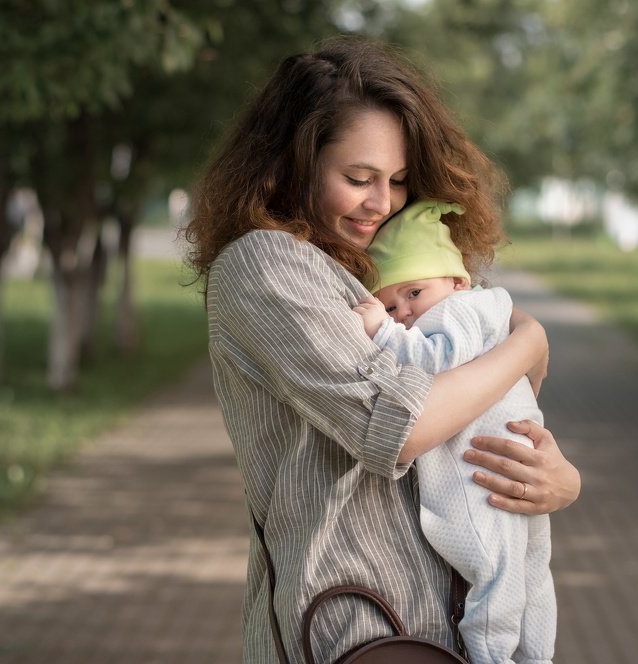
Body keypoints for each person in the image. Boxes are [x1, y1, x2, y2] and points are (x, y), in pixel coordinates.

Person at [185, 36, 580, 664]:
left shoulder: (377, 263)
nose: (381, 203)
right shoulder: (267, 265)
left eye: (396, 180)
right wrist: (528, 335)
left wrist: (552, 481)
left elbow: (490, 394)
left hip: (449, 622)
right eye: (357, 178)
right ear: (291, 163)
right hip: (360, 627)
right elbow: (398, 426)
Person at [354, 199, 555, 664]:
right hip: (514, 460)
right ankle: (536, 655)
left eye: (415, 293)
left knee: (493, 570)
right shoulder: (483, 311)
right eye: (390, 301)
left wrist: (380, 330)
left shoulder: (461, 313)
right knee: (531, 572)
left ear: (457, 281)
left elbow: (435, 362)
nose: (403, 311)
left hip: (487, 471)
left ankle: (492, 655)